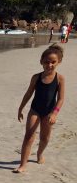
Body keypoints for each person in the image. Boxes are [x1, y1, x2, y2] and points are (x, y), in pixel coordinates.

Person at [13, 45, 65, 173]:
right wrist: (21, 108)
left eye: (53, 62)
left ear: (59, 62)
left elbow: (61, 99)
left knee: (45, 138)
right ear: (41, 62)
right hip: (35, 110)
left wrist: (54, 113)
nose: (50, 65)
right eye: (47, 62)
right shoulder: (36, 77)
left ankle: (39, 154)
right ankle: (23, 164)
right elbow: (28, 93)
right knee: (28, 136)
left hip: (49, 113)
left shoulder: (60, 79)